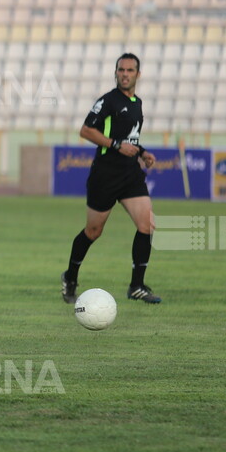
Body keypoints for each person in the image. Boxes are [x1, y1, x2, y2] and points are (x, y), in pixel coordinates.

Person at [61, 53, 162, 306]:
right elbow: (86, 130)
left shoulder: (137, 103)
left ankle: (136, 286)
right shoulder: (108, 101)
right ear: (115, 73)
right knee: (93, 232)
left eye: (129, 70)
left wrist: (141, 152)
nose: (125, 74)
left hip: (130, 174)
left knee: (147, 224)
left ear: (138, 74)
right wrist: (116, 145)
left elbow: (129, 138)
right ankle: (70, 277)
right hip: (105, 175)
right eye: (121, 70)